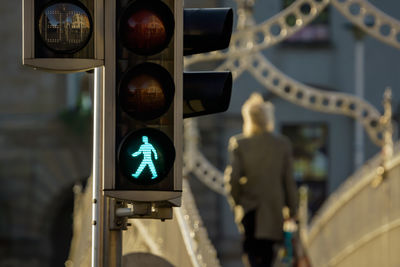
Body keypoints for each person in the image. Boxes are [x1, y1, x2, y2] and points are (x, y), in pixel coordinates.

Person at [224, 93, 298, 267]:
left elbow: (233, 178)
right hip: (273, 210)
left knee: (250, 252)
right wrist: (292, 210)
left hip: (249, 209)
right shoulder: (282, 145)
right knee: (268, 255)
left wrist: (237, 202)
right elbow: (288, 181)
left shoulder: (239, 144)